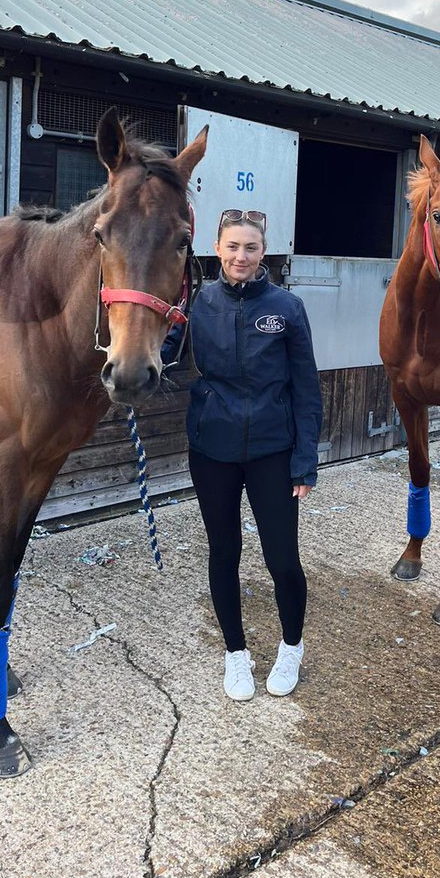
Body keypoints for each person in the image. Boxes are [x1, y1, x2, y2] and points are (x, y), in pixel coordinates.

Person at [164, 209, 322, 702]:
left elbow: (307, 389)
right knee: (224, 552)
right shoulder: (195, 303)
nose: (240, 256)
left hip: (273, 451)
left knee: (282, 559)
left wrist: (305, 459)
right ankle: (235, 654)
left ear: (263, 251)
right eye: (232, 246)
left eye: (250, 247)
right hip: (213, 449)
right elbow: (163, 354)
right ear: (216, 247)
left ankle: (290, 646)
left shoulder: (287, 308)